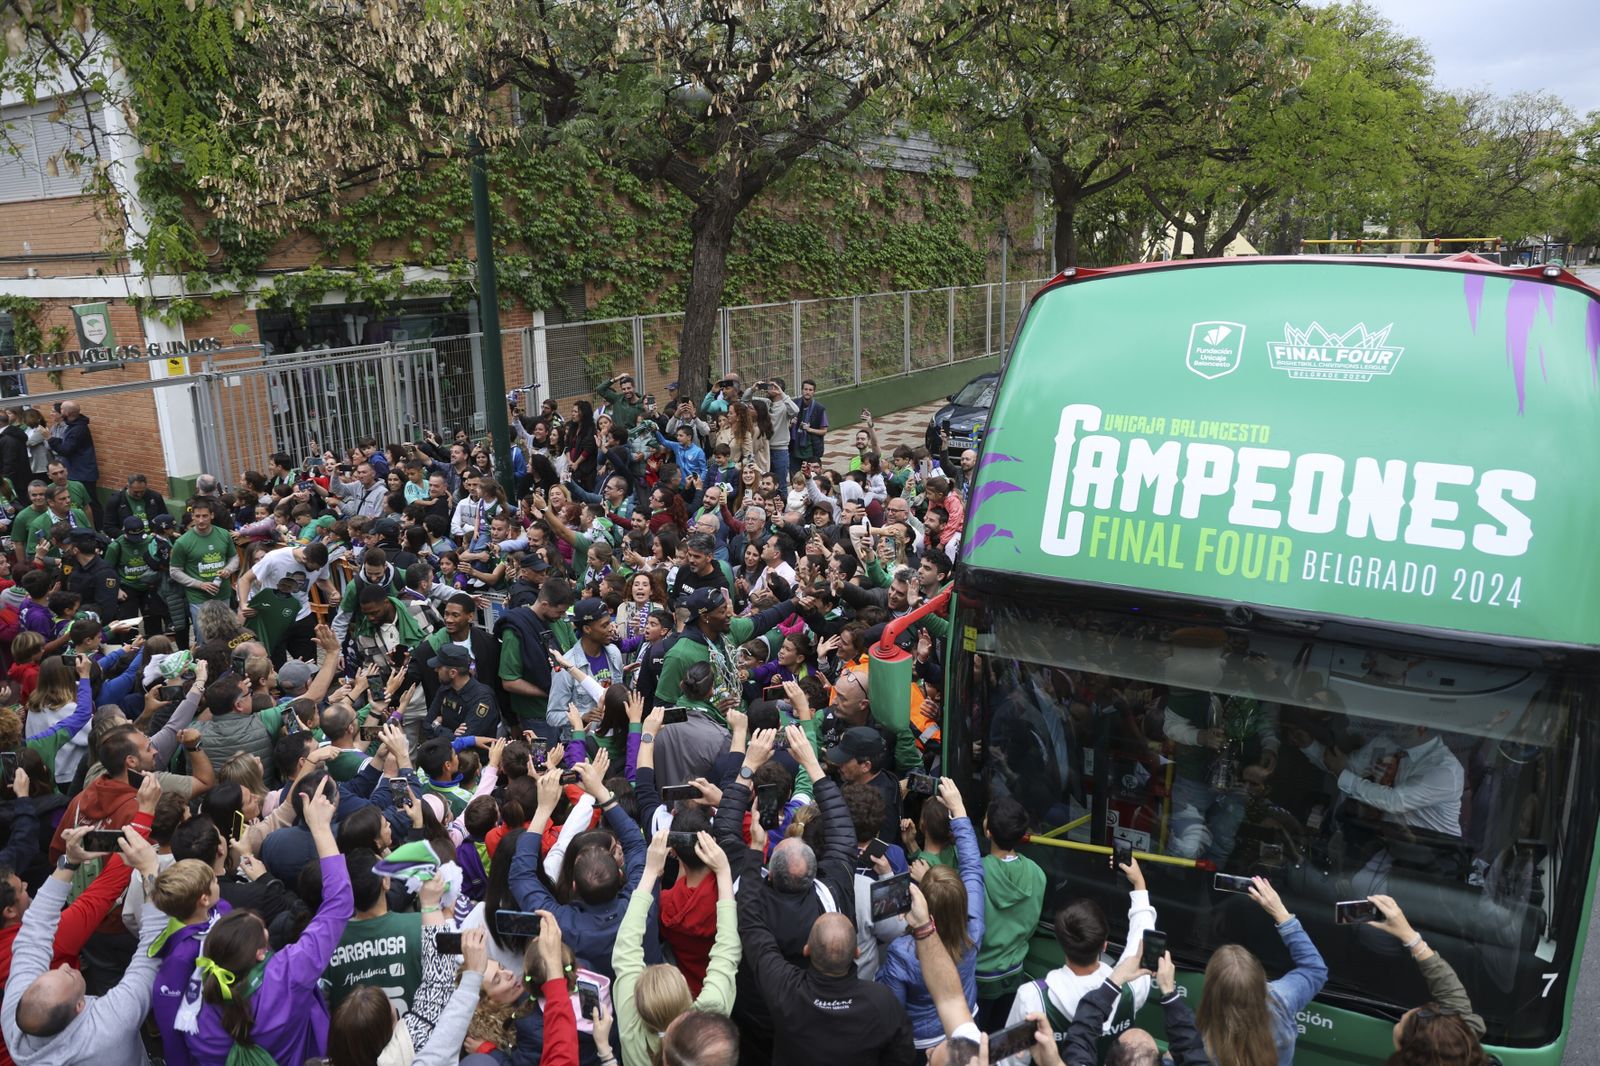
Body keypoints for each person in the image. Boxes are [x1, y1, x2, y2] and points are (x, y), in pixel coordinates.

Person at [178, 787, 350, 1066]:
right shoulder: (289, 974)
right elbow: (339, 903)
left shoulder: (196, 1012)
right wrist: (320, 829)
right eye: (264, 933)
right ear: (260, 953)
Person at [2, 826, 166, 1066]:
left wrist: (68, 862)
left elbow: (33, 934)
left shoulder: (14, 1021)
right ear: (80, 1007)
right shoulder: (110, 1024)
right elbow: (151, 955)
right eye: (68, 976)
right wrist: (150, 870)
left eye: (55, 970)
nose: (65, 965)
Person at [508, 751, 645, 981]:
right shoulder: (642, 904)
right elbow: (636, 845)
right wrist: (600, 791)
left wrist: (543, 809)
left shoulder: (562, 923)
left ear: (573, 885)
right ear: (620, 873)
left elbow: (521, 875)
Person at [1005, 857, 1157, 1062]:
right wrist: (1139, 884)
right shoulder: (1131, 988)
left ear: (1060, 943)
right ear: (1104, 945)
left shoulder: (1033, 998)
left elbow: (1012, 1060)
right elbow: (1141, 938)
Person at [874, 778, 984, 1055]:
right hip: (965, 1026)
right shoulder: (973, 930)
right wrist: (958, 810)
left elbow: (892, 1009)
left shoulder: (904, 950)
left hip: (921, 1045)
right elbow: (972, 867)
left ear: (921, 904)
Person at [612, 828, 740, 1066]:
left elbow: (625, 946)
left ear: (636, 1004)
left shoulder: (630, 1029)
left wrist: (650, 872)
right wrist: (723, 872)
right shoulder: (709, 1016)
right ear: (687, 991)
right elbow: (727, 949)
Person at [1193, 876, 1327, 1066]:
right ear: (1260, 979)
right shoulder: (1281, 1000)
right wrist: (1280, 912)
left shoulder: (1198, 1044)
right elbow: (1315, 969)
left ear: (1210, 989)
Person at [1366, 894, 1488, 1065]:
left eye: (1402, 1022)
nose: (1403, 1014)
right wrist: (1411, 938)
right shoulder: (1459, 1049)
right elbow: (1451, 994)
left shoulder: (1463, 1045)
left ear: (1411, 1052)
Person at [974, 795, 1046, 1028]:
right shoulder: (1037, 873)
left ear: (988, 832)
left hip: (979, 979)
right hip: (1015, 975)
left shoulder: (975, 875)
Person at [426, 643, 499, 740]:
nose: (435, 669)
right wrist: (451, 734)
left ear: (452, 673)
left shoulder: (482, 698)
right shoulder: (445, 688)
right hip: (445, 751)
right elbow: (426, 725)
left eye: (439, 667)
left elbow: (464, 741)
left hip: (473, 754)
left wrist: (436, 726)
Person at [791, 379, 828, 463]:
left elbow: (824, 431)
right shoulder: (793, 405)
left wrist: (809, 429)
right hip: (794, 448)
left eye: (810, 390)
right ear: (802, 390)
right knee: (794, 475)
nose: (807, 392)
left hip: (811, 450)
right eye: (805, 389)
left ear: (814, 392)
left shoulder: (819, 408)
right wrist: (791, 423)